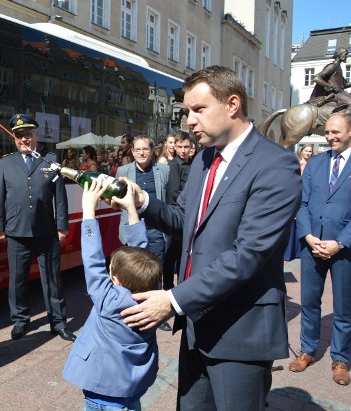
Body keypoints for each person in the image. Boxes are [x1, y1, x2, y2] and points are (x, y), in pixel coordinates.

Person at [119, 66, 301, 410]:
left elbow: (246, 256)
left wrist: (172, 300)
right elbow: (184, 220)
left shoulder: (276, 165)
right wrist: (141, 202)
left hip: (240, 333)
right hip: (195, 326)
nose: (189, 120)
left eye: (198, 109)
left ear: (232, 104)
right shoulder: (204, 159)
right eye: (187, 110)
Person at [63, 177, 160, 411]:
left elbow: (92, 259)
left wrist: (87, 209)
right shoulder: (153, 295)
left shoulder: (109, 299)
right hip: (131, 388)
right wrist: (131, 209)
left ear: (114, 280)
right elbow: (142, 255)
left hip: (102, 394)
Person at [0, 114, 76, 342]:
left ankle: (58, 323)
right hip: (17, 232)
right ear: (14, 139)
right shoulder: (6, 163)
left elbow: (60, 198)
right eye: (19, 136)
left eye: (28, 135)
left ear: (36, 135)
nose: (24, 140)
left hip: (46, 231)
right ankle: (20, 321)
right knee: (17, 280)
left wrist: (62, 226)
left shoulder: (49, 160)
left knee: (52, 279)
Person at [290, 113, 351, 386]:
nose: (330, 137)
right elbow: (302, 204)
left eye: (336, 132)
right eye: (327, 133)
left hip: (345, 248)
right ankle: (307, 350)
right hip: (312, 245)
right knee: (309, 302)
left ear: (350, 132)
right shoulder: (315, 163)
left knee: (343, 308)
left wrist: (340, 242)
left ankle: (341, 358)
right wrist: (308, 235)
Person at [117, 135, 171, 332]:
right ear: (132, 151)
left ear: (152, 151)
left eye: (145, 149)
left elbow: (169, 199)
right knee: (133, 269)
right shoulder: (123, 171)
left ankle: (156, 314)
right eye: (138, 149)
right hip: (133, 229)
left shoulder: (163, 170)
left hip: (157, 229)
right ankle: (133, 309)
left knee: (155, 271)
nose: (141, 153)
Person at [162, 131, 193, 290]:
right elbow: (175, 193)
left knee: (182, 252)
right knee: (173, 253)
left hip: (188, 213)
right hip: (177, 214)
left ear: (191, 147)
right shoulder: (174, 165)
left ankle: (181, 284)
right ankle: (168, 286)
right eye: (179, 146)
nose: (182, 150)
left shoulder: (192, 164)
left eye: (186, 147)